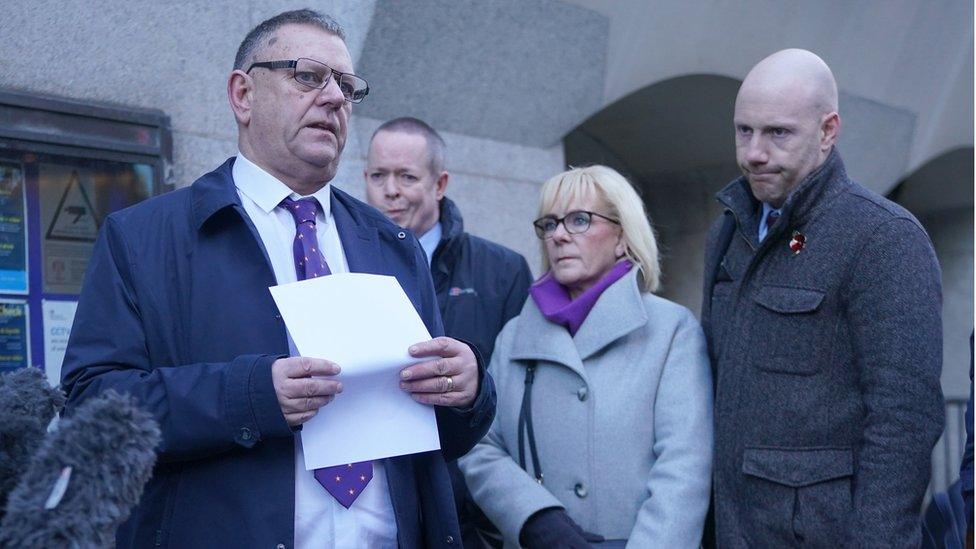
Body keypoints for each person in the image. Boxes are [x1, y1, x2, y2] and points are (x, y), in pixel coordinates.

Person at [59, 9, 495, 549]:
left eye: (347, 86)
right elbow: (92, 409)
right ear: (243, 95)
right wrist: (248, 396)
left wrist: (469, 391)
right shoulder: (145, 238)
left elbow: (439, 437)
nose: (335, 97)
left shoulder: (394, 246)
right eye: (308, 76)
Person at [701, 48, 944, 546]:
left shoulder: (883, 237)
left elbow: (905, 421)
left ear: (828, 131)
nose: (754, 153)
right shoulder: (725, 234)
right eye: (744, 130)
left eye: (778, 133)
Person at [459, 165, 713, 547]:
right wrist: (534, 519)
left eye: (579, 220)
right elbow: (482, 447)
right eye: (550, 223)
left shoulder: (671, 330)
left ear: (622, 237)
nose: (559, 235)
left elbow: (684, 468)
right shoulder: (515, 336)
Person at [364, 117, 533, 547]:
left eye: (406, 176)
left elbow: (517, 401)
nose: (391, 190)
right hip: (377, 502)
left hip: (472, 510)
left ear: (440, 184)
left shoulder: (503, 270)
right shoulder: (344, 264)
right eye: (378, 175)